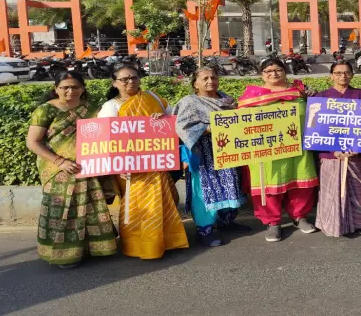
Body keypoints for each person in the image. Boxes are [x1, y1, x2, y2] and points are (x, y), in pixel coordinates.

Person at [26, 71, 117, 268]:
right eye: (64, 87)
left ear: (82, 88)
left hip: (89, 165)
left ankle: (92, 248)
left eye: (75, 86)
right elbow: (33, 142)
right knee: (62, 209)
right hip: (57, 168)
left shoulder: (91, 109)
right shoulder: (45, 110)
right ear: (56, 89)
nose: (70, 91)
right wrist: (60, 161)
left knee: (90, 206)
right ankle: (63, 253)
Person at [97, 64, 189, 259]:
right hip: (129, 168)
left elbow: (173, 120)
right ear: (114, 83)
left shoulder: (153, 97)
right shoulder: (111, 106)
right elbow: (105, 140)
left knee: (163, 201)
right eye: (124, 79)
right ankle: (138, 246)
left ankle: (167, 240)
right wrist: (117, 166)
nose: (131, 82)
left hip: (157, 163)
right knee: (137, 206)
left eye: (134, 77)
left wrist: (162, 118)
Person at [238, 58, 318, 243]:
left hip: (298, 146)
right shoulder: (252, 95)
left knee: (301, 181)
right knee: (269, 184)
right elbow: (240, 123)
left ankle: (300, 217)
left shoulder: (299, 91)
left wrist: (312, 96)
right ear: (262, 75)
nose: (274, 73)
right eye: (268, 71)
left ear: (285, 71)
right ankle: (272, 222)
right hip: (267, 150)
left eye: (278, 69)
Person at [174, 66, 249, 247]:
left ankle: (226, 221)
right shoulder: (189, 102)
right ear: (195, 84)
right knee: (204, 190)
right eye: (205, 78)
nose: (210, 81)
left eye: (213, 78)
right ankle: (205, 229)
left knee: (230, 184)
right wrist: (211, 127)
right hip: (204, 154)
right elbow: (182, 127)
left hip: (228, 151)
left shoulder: (226, 99)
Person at [311, 60, 361, 237]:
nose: (342, 76)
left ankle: (360, 222)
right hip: (331, 154)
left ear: (352, 74)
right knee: (331, 192)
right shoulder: (321, 97)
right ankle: (332, 223)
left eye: (346, 72)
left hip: (355, 152)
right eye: (338, 73)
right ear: (331, 76)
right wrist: (333, 150)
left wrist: (358, 147)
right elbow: (317, 128)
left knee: (358, 190)